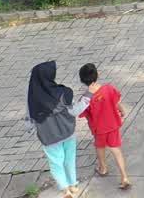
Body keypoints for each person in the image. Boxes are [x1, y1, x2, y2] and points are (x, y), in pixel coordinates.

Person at [26, 61, 89, 198]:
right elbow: (73, 111)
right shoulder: (63, 93)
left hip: (48, 137)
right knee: (69, 159)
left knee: (56, 162)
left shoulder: (32, 98)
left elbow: (30, 119)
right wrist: (88, 96)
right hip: (67, 132)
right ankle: (73, 184)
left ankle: (65, 189)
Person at [79, 63, 132, 190]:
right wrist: (122, 111)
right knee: (116, 150)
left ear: (82, 81)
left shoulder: (86, 99)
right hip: (113, 125)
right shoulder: (109, 88)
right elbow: (117, 102)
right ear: (98, 75)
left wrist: (92, 126)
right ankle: (124, 177)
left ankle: (103, 168)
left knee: (100, 147)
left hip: (99, 129)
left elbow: (85, 114)